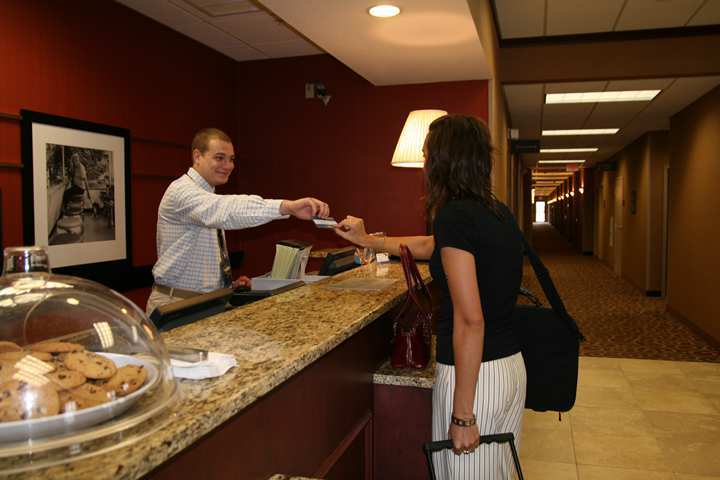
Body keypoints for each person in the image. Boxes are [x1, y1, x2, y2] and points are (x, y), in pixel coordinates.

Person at [334, 115, 526, 479]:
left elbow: (471, 320)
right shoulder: (496, 212)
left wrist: (463, 415)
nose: (423, 165)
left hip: (475, 376)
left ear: (442, 161)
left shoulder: (454, 215)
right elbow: (431, 246)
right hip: (509, 368)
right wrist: (369, 240)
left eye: (426, 155)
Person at [146, 128, 330, 316]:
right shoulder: (182, 192)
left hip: (206, 301)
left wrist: (226, 285)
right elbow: (228, 210)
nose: (228, 165)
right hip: (178, 305)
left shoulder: (207, 196)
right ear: (197, 156)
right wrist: (286, 206)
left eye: (231, 159)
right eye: (219, 158)